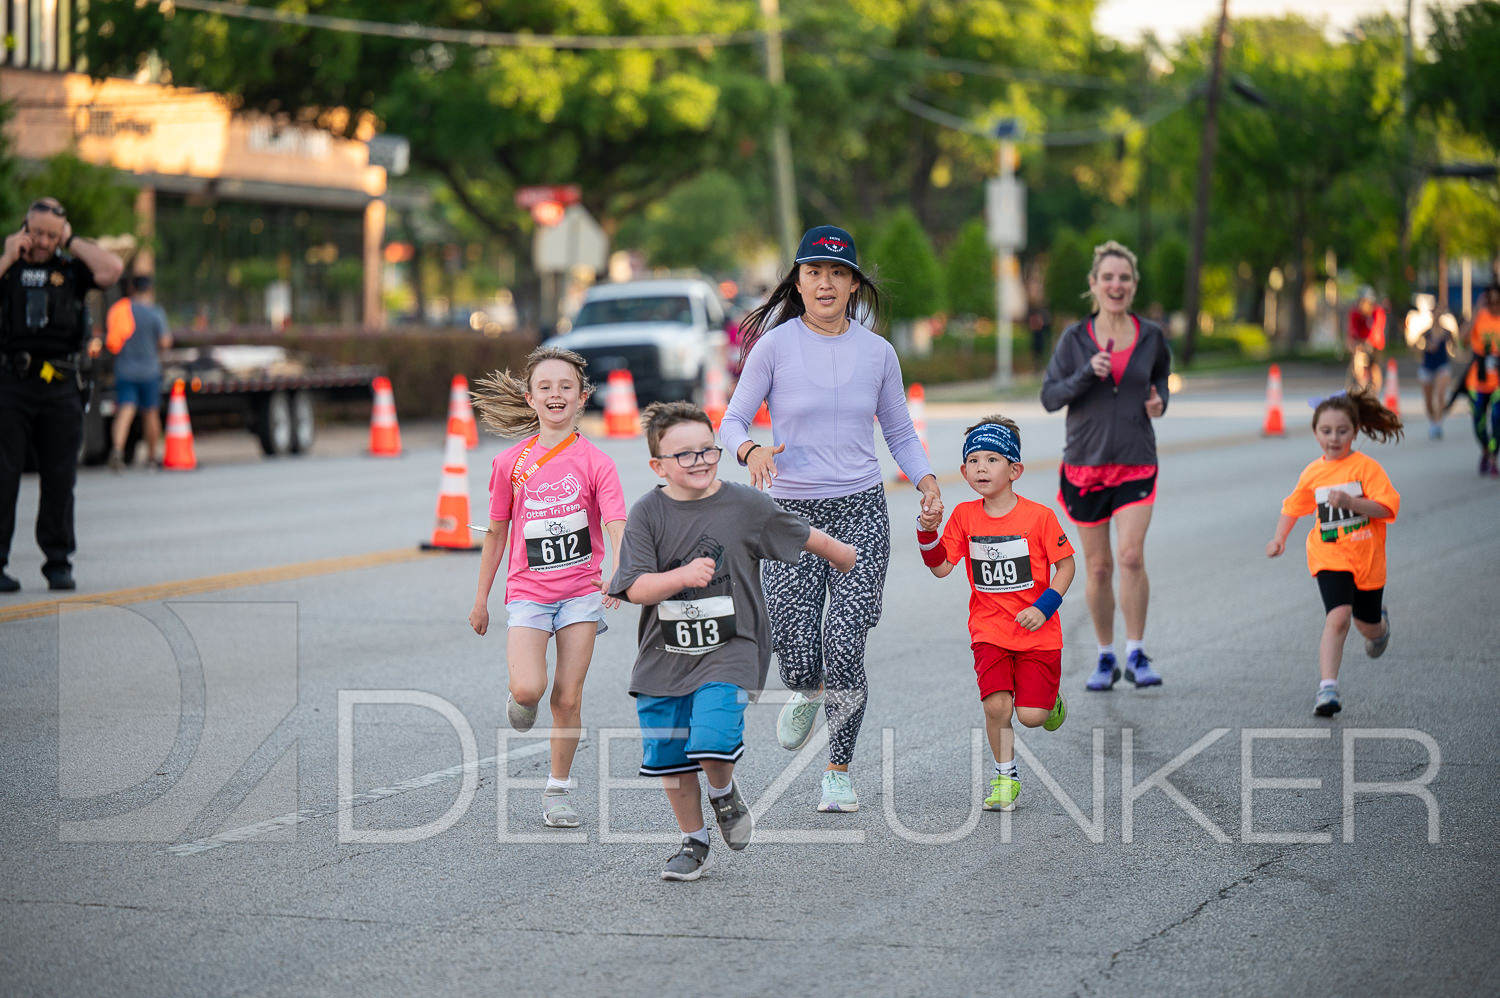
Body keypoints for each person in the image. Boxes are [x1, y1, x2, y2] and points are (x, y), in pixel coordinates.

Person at [718, 224, 941, 813]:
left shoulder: (878, 353)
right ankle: (806, 687)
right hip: (789, 516)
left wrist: (926, 480)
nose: (825, 283)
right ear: (797, 281)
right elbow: (731, 422)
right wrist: (750, 450)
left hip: (860, 509)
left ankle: (838, 770)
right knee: (795, 649)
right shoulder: (774, 347)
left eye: (837, 273)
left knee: (845, 643)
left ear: (853, 285)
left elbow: (900, 431)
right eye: (813, 272)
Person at [611, 401, 855, 880]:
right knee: (671, 758)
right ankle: (694, 840)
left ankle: (722, 793)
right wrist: (682, 576)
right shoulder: (647, 514)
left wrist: (843, 556)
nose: (699, 460)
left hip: (732, 646)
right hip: (664, 655)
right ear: (658, 466)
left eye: (708, 450)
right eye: (684, 455)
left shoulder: (744, 505)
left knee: (712, 740)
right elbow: (635, 586)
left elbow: (798, 531)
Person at [468, 346, 626, 829]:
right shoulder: (509, 464)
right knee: (529, 688)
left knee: (568, 698)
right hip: (528, 595)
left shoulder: (598, 462)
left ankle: (557, 791)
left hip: (581, 594)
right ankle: (521, 698)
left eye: (565, 387)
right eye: (545, 387)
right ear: (530, 397)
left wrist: (620, 571)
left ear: (582, 397)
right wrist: (481, 599)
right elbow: (496, 534)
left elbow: (616, 523)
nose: (556, 394)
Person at [916, 415, 1074, 811]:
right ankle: (1006, 777)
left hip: (1038, 632)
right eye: (973, 460)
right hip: (989, 630)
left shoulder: (1039, 517)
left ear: (1014, 470)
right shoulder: (965, 516)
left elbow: (1066, 566)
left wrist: (1044, 607)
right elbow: (941, 567)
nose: (981, 468)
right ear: (963, 471)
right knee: (996, 706)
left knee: (1032, 716)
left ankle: (1049, 700)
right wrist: (927, 530)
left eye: (992, 459)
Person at [1040, 240, 1170, 691]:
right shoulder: (1075, 340)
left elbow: (1160, 378)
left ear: (1133, 285)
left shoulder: (1151, 336)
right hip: (1085, 465)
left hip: (1136, 461)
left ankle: (1136, 652)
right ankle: (1105, 656)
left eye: (1125, 278)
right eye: (1108, 277)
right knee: (1098, 567)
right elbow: (1049, 397)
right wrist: (1085, 374)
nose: (1117, 285)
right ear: (1093, 284)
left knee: (1130, 556)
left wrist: (1160, 400)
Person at [0, 197, 124, 592]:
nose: (42, 241)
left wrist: (72, 242)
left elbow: (112, 269)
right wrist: (7, 256)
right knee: (3, 477)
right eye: (37, 232)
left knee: (59, 479)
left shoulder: (71, 269)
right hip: (12, 384)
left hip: (61, 386)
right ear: (25, 228)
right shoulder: (9, 267)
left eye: (52, 235)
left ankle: (58, 563)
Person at [1266, 389, 1401, 716]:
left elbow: (1387, 508)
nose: (1334, 438)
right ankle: (1327, 688)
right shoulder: (1314, 473)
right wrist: (1279, 538)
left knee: (1367, 626)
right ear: (1315, 433)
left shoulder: (1367, 468)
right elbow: (1293, 506)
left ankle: (1380, 627)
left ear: (1355, 431)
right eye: (1326, 431)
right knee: (1338, 617)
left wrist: (1353, 502)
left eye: (1342, 431)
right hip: (1330, 556)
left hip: (1367, 559)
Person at [92, 274, 172, 470]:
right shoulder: (155, 313)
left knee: (125, 411)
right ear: (150, 290)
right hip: (149, 371)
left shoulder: (120, 310)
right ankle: (151, 457)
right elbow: (165, 342)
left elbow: (111, 342)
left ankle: (117, 450)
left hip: (125, 370)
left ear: (131, 289)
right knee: (150, 413)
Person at [1455, 288, 1500, 476]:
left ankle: (1493, 459)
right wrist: (1475, 313)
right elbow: (1462, 341)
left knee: (1497, 419)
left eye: (1497, 303)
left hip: (1498, 382)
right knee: (1478, 423)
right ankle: (1485, 450)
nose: (1493, 306)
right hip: (1478, 381)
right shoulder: (1480, 317)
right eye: (1490, 302)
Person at [1412, 310, 1455, 441]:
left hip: (1442, 365)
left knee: (1441, 394)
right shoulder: (1426, 333)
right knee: (1428, 401)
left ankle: (1437, 423)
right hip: (1428, 366)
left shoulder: (1447, 332)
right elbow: (1414, 346)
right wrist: (1426, 347)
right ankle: (1433, 421)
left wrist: (1453, 352)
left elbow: (1455, 345)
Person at [1347, 286, 1386, 394]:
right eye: (1360, 301)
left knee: (1374, 367)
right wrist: (1353, 343)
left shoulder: (1377, 312)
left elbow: (1376, 329)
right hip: (1360, 342)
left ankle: (1375, 392)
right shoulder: (1355, 313)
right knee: (1357, 365)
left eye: (1364, 301)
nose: (1361, 304)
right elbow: (1352, 329)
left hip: (1375, 344)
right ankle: (1360, 388)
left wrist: (1369, 342)